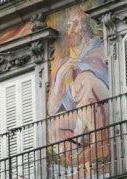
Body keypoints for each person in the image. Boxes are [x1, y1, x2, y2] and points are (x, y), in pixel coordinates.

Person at [48, 8, 110, 165]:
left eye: (75, 25)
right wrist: (61, 75)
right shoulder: (64, 63)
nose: (70, 30)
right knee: (53, 126)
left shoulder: (97, 49)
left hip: (104, 105)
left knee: (85, 78)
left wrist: (77, 133)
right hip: (82, 116)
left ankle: (99, 144)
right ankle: (70, 158)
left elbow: (102, 77)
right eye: (68, 26)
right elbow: (51, 109)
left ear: (84, 29)